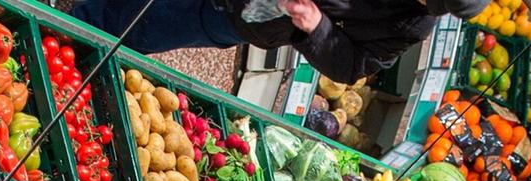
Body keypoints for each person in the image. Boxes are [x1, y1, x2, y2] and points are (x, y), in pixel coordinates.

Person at [69, 0, 488, 83]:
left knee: (141, 25)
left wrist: (317, 25)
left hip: (247, 15)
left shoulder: (411, 27)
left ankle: (66, 31)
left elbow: (353, 66)